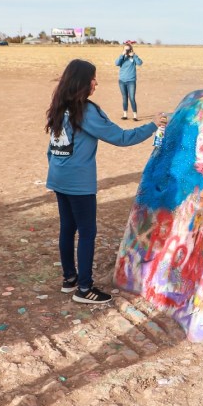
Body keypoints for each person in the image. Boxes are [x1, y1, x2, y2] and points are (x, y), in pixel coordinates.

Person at [45, 59, 167, 305]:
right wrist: (153, 126)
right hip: (78, 182)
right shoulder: (85, 110)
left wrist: (58, 170)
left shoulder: (60, 106)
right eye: (93, 78)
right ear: (81, 82)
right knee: (87, 231)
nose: (96, 83)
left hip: (59, 177)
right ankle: (84, 289)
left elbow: (51, 149)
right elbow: (121, 138)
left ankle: (69, 279)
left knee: (68, 228)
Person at [115, 41, 143, 120]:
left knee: (132, 98)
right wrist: (122, 54)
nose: (127, 51)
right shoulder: (122, 57)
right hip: (122, 81)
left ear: (131, 50)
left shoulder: (133, 57)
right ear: (123, 50)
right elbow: (116, 63)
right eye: (125, 49)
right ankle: (125, 115)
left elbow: (140, 63)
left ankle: (135, 116)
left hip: (131, 81)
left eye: (128, 50)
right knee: (124, 98)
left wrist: (134, 56)